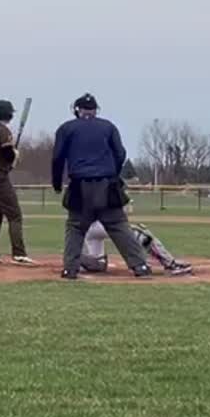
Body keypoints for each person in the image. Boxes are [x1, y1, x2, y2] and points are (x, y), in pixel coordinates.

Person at [52, 93, 149, 280]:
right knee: (118, 225)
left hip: (80, 185)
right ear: (95, 110)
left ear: (77, 110)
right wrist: (113, 174)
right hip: (107, 183)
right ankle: (140, 266)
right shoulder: (108, 127)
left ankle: (70, 269)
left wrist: (57, 183)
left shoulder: (66, 128)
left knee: (75, 227)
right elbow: (120, 153)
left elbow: (57, 158)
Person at [0, 100, 34, 266]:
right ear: (8, 114)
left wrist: (9, 159)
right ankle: (19, 253)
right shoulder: (3, 131)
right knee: (15, 215)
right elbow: (6, 153)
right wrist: (14, 156)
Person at [80, 203, 192, 276]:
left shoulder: (85, 180)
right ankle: (170, 264)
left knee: (98, 264)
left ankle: (77, 259)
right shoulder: (104, 180)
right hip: (102, 223)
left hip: (88, 227)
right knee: (143, 235)